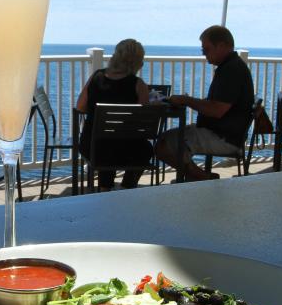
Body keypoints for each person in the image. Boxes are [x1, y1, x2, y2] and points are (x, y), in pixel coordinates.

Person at [154, 25, 254, 180]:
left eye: (206, 49)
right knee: (165, 141)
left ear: (221, 46)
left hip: (224, 137)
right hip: (222, 133)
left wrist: (186, 100)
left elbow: (216, 110)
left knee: (163, 145)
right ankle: (198, 176)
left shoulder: (232, 70)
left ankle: (200, 177)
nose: (203, 54)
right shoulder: (230, 67)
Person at [76, 38, 151, 190]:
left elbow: (80, 107)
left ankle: (105, 188)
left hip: (91, 147)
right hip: (124, 150)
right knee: (145, 149)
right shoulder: (138, 85)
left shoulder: (96, 77)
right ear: (137, 62)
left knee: (107, 143)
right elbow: (144, 123)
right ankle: (127, 187)